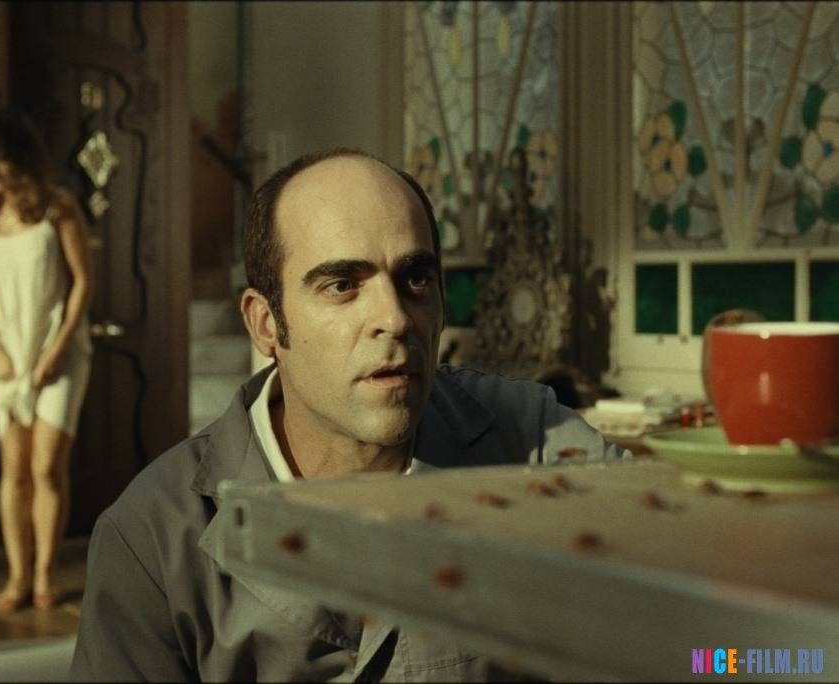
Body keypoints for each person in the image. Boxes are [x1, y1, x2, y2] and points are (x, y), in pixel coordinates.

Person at [70, 149, 627, 680]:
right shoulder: (152, 538)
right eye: (342, 285)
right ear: (266, 324)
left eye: (415, 278)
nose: (395, 318)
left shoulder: (530, 442)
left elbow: (687, 632)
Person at [0, 105, 93, 612]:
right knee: (13, 469)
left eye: (1, 159)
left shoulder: (58, 207)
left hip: (58, 351)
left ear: (21, 156)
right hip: (6, 355)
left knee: (47, 468)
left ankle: (44, 575)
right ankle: (17, 576)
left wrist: (56, 351)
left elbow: (82, 283)